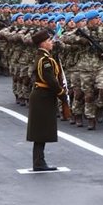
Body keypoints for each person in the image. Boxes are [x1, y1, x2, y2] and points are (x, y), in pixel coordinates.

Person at [27, 29, 68, 171]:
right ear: (43, 44)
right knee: (40, 131)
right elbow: (50, 80)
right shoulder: (44, 60)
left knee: (41, 130)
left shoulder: (44, 57)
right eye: (49, 41)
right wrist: (62, 94)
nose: (51, 43)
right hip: (42, 97)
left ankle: (39, 161)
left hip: (43, 96)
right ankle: (39, 162)